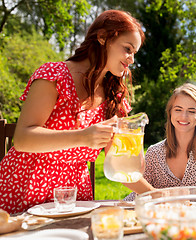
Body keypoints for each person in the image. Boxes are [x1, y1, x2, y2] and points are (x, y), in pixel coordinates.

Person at [0, 10, 145, 214]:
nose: (131, 60)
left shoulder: (115, 97)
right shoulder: (54, 75)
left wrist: (154, 195)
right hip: (25, 187)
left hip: (73, 196)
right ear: (102, 37)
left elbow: (120, 165)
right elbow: (23, 139)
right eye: (127, 49)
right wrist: (83, 137)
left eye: (134, 53)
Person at [123, 83, 196, 200]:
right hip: (166, 217)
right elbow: (140, 194)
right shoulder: (154, 153)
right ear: (170, 112)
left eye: (191, 111)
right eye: (178, 109)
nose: (184, 116)